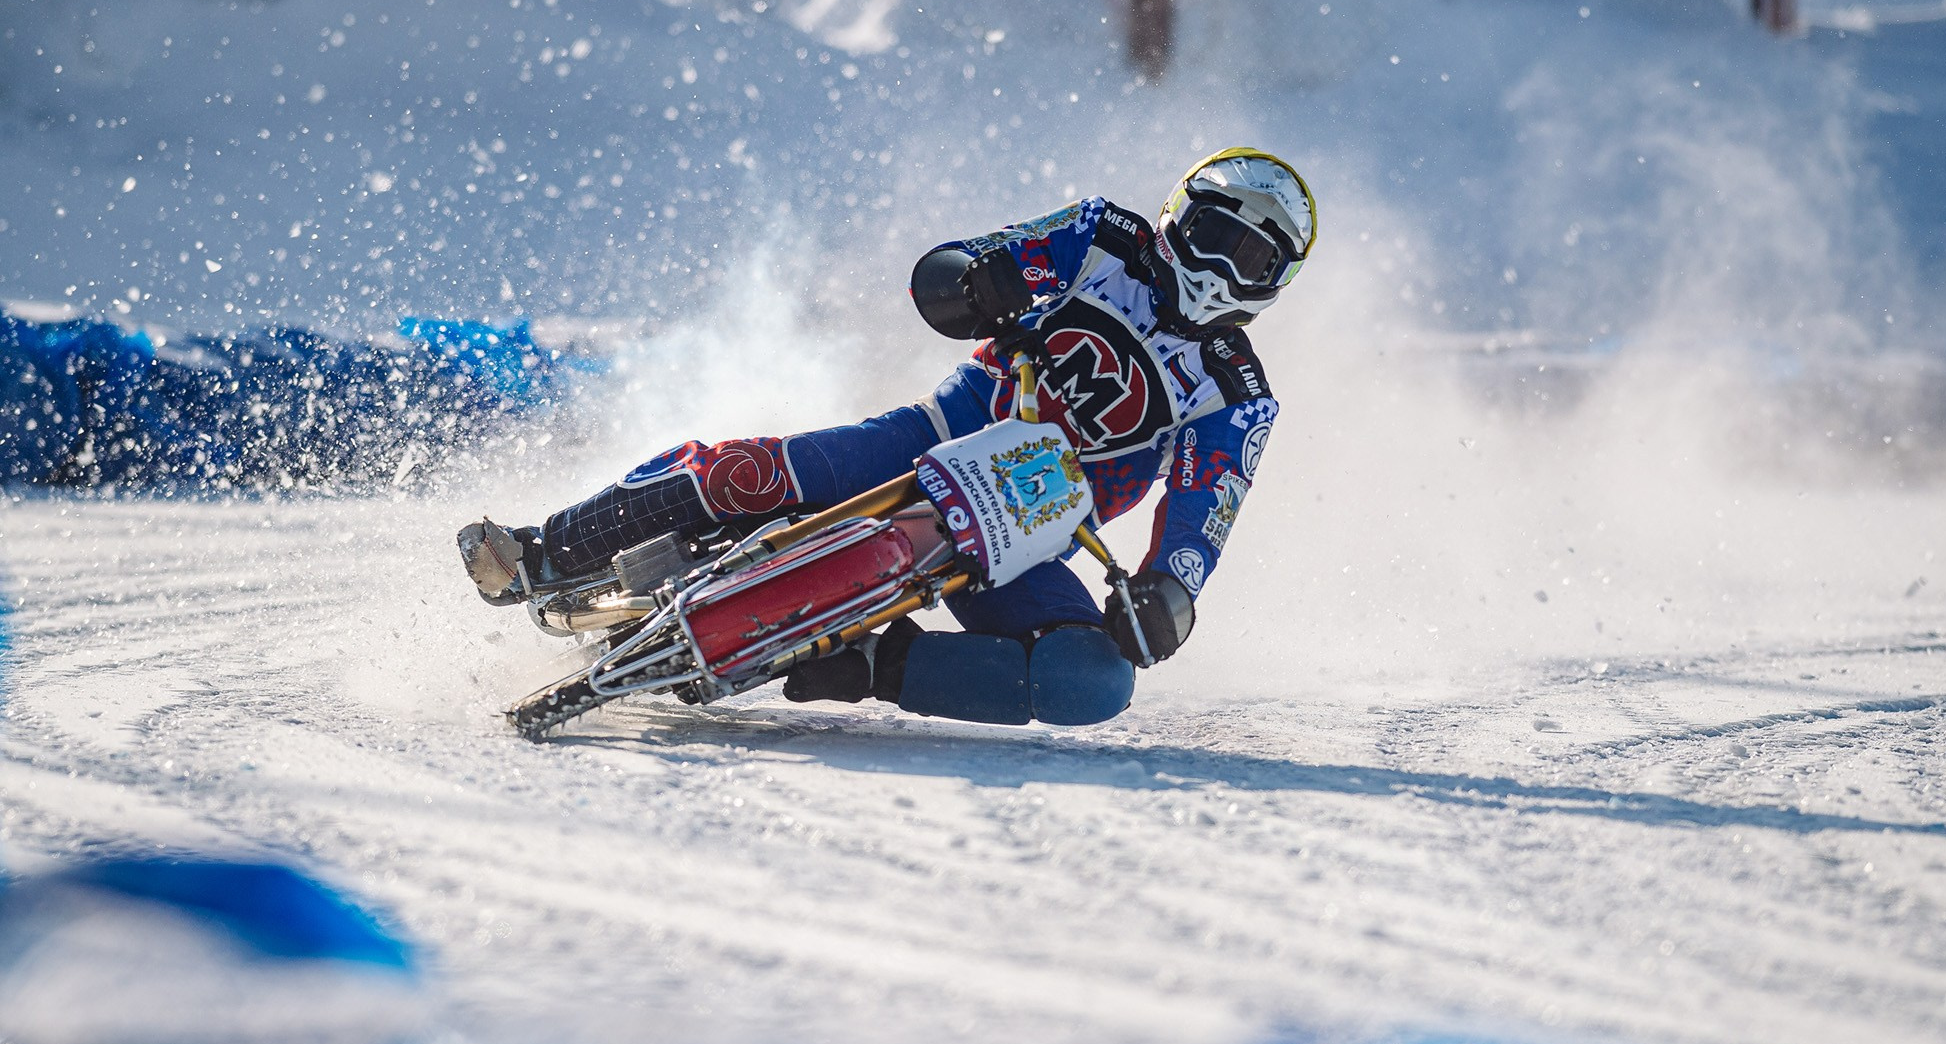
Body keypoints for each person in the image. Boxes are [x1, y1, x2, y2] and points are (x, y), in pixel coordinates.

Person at [460, 147, 1315, 726]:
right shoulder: (1103, 238)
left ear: (1275, 285)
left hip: (1026, 535)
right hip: (933, 436)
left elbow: (1203, 517)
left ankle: (879, 665)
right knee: (748, 474)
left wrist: (1164, 600)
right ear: (1177, 217)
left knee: (1092, 681)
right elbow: (958, 265)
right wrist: (982, 280)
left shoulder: (1237, 396)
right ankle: (545, 550)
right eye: (1215, 238)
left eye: (1253, 261)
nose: (1221, 270)